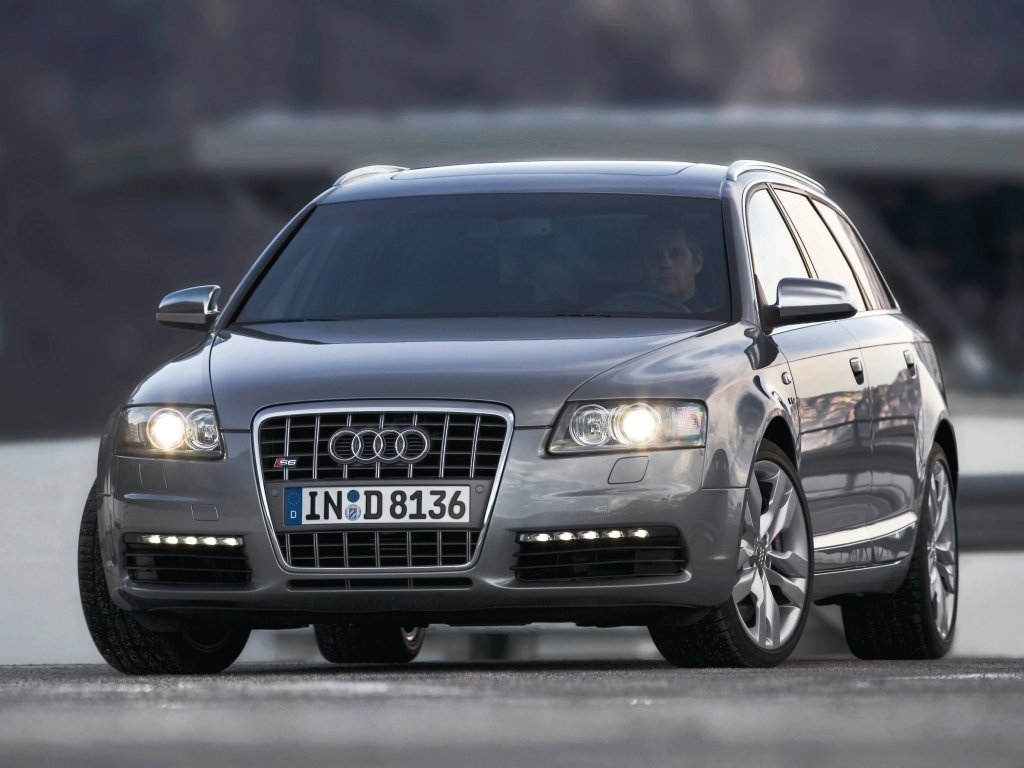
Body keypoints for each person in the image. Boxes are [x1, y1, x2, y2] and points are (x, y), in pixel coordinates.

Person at [641, 225, 705, 309]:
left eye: (677, 254)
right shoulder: (626, 314)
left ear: (697, 263)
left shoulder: (716, 320)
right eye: (655, 256)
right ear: (642, 266)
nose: (665, 263)